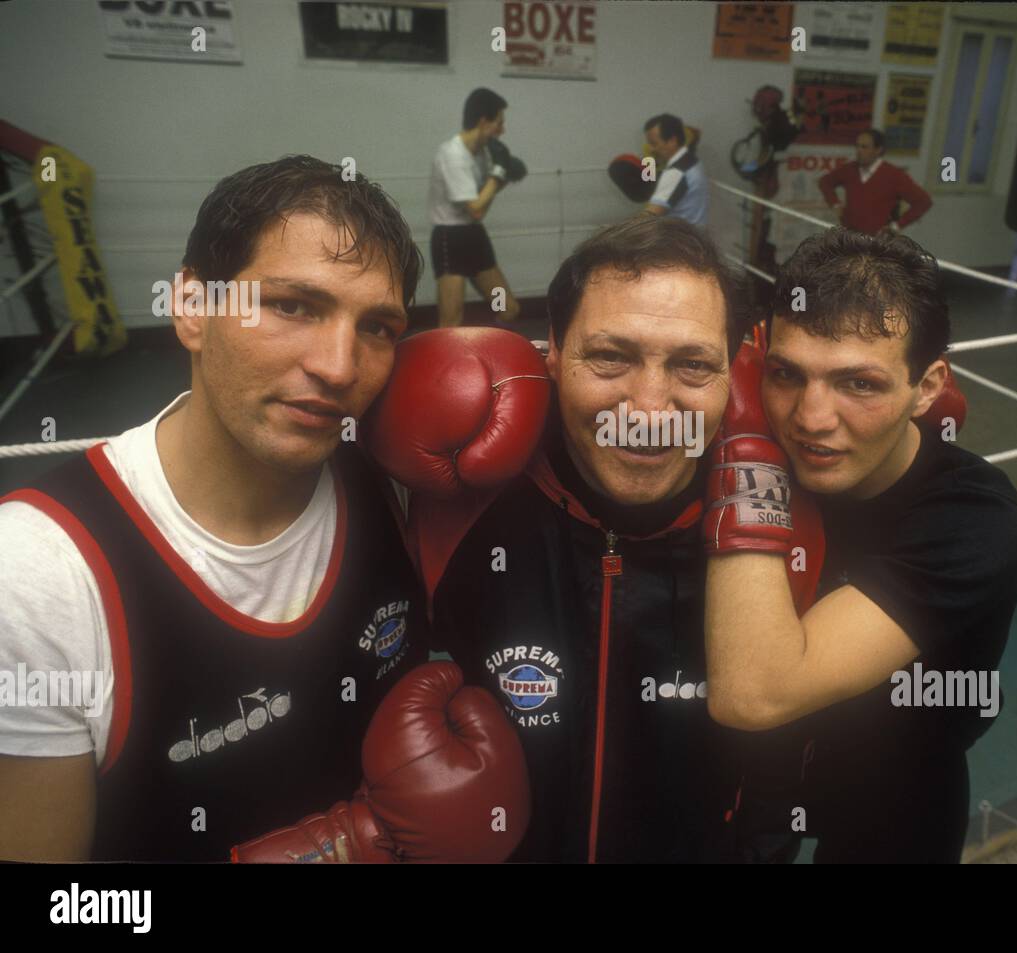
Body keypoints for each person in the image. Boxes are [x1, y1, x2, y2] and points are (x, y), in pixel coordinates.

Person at [0, 155, 524, 862]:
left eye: (376, 327)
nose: (339, 367)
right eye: (293, 305)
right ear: (190, 305)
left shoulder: (393, 477)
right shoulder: (37, 573)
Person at [367, 216, 818, 862]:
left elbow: (783, 764)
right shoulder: (461, 504)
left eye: (693, 365)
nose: (648, 408)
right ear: (552, 350)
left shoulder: (780, 530)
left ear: (732, 374)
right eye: (611, 356)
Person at [703, 227, 1017, 863]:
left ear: (929, 387)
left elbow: (755, 691)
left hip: (897, 787)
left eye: (860, 384)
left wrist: (747, 455)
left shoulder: (978, 518)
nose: (811, 418)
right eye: (786, 373)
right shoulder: (766, 437)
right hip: (755, 778)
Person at [427, 87, 527, 327]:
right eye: (499, 123)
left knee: (508, 309)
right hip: (450, 239)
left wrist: (501, 179)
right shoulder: (453, 155)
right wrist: (498, 175)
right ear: (484, 121)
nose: (502, 130)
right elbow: (476, 208)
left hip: (474, 235)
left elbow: (482, 200)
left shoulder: (481, 153)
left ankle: (485, 351)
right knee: (450, 322)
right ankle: (448, 363)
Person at [818, 130, 932, 235]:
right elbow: (825, 182)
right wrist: (835, 204)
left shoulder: (894, 175)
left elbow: (923, 201)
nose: (859, 150)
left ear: (878, 150)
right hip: (849, 239)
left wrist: (897, 226)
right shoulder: (849, 170)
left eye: (864, 147)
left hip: (877, 244)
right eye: (857, 146)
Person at [641, 113, 709, 226]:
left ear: (672, 141)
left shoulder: (676, 173)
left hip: (679, 240)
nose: (651, 149)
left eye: (654, 144)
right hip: (693, 236)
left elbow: (647, 219)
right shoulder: (694, 162)